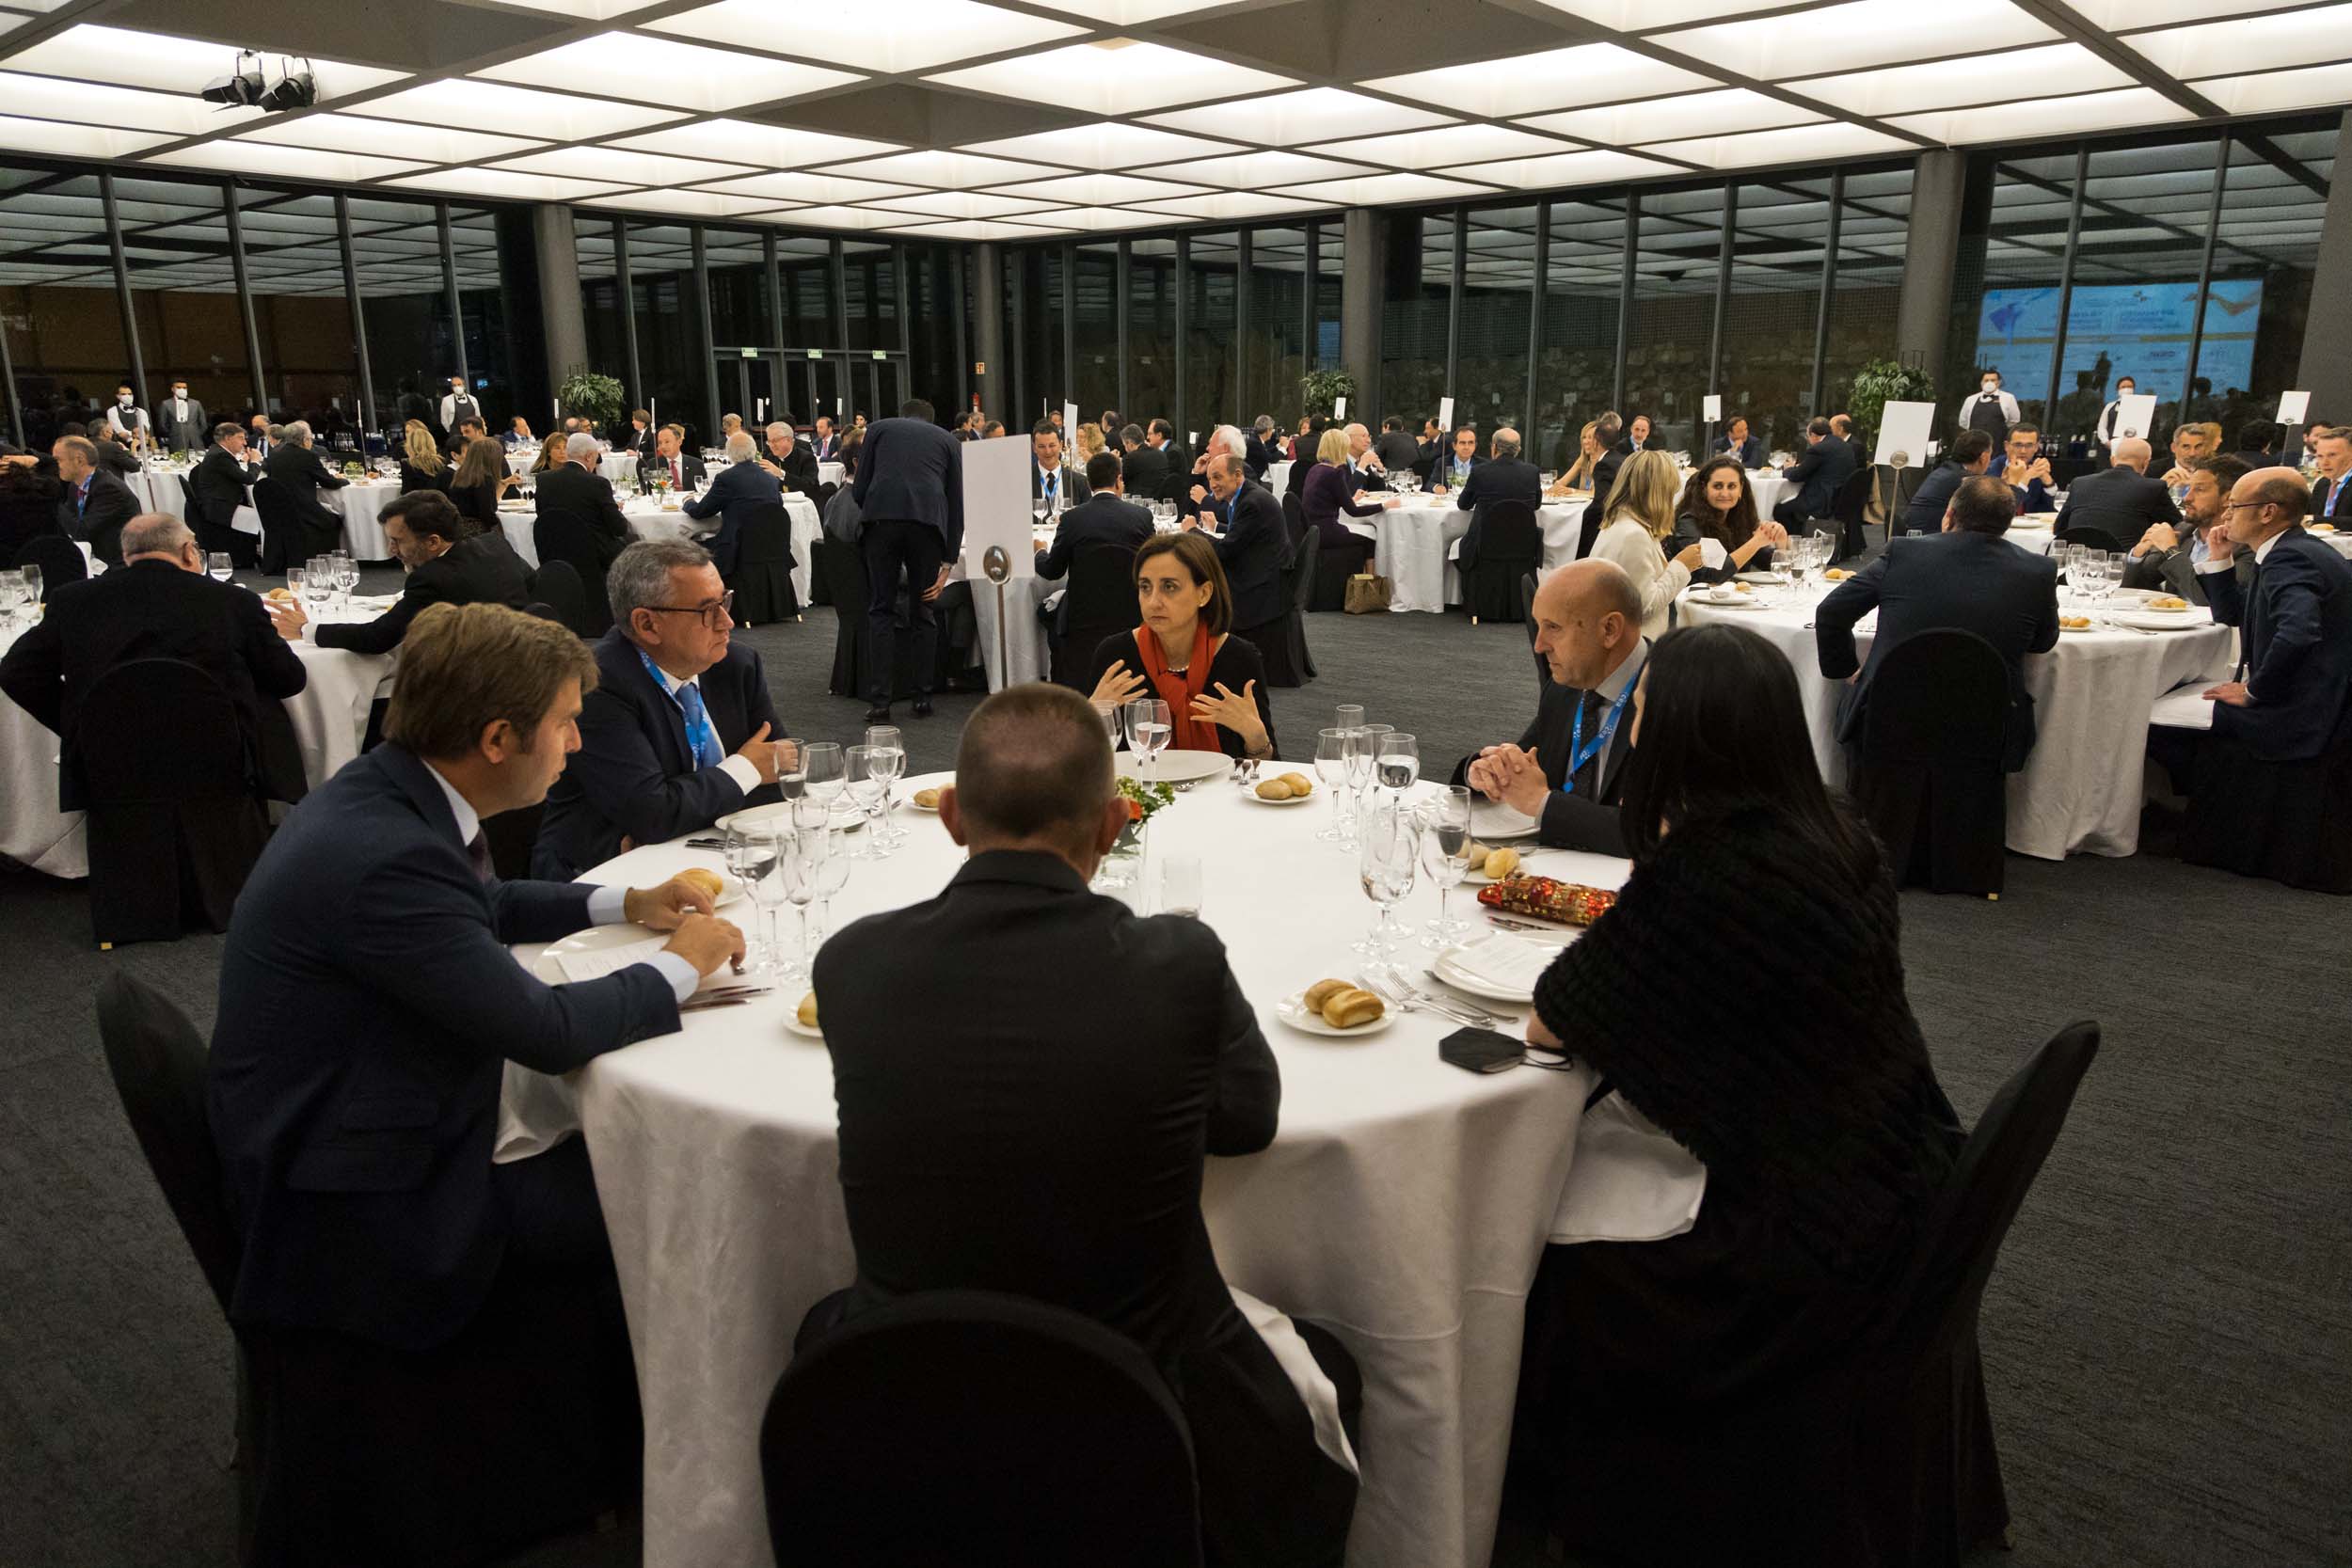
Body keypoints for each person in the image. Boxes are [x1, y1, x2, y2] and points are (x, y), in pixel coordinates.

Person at [803, 681, 1357, 1562]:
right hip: (1145, 1409)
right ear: (1114, 823)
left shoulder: (853, 963)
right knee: (1333, 1359)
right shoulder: (1179, 963)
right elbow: (1249, 1122)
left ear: (950, 816)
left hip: (905, 1392)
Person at [1512, 621, 1962, 1563]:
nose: (1633, 725)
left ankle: (1577, 1497)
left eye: (1641, 710)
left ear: (1685, 732)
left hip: (1790, 1242)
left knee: (1533, 1229)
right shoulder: (1836, 829)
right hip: (1896, 1162)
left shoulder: (1709, 868)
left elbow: (1553, 1018)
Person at [207, 601, 743, 1360]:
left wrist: (627, 901)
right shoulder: (388, 858)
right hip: (369, 1197)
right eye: (565, 723)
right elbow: (548, 1032)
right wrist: (682, 963)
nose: (577, 742)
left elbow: (480, 901)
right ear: (496, 739)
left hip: (349, 1103)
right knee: (681, 1192)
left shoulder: (386, 788)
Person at [2, 511, 308, 812]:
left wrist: (83, 722)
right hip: (219, 762)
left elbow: (16, 672)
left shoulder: (72, 600)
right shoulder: (233, 601)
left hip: (109, 767)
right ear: (188, 551)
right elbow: (289, 679)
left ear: (127, 554)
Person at [532, 539, 791, 879]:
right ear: (647, 624)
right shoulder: (596, 685)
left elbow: (782, 771)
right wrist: (745, 769)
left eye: (725, 601)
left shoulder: (736, 666)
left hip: (711, 854)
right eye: (707, 610)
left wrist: (678, 812)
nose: (727, 621)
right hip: (603, 874)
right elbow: (652, 812)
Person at [1817, 474, 2058, 771]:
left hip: (1888, 722)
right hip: (1987, 731)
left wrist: (1846, 670)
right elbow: (2043, 641)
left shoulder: (1904, 552)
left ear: (1949, 515)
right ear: (2007, 524)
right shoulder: (2038, 570)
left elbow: (1831, 612)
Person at [1461, 560, 1648, 854]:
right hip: (1552, 867)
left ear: (1609, 629)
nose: (1539, 645)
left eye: (1553, 627)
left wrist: (1544, 804)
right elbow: (1524, 757)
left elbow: (1657, 832)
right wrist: (1484, 770)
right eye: (1539, 626)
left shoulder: (1674, 697)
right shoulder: (1565, 686)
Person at [2185, 467, 2352, 764]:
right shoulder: (2293, 548)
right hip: (2317, 704)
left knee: (2149, 717)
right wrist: (2220, 559)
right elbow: (2234, 615)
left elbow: (2299, 632)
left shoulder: (2289, 557)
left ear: (2267, 513)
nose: (2226, 514)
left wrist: (2254, 691)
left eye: (2234, 506)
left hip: (2300, 714)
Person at [1089, 531, 1278, 763]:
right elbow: (1084, 763)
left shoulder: (1238, 658)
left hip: (1219, 786)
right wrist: (1089, 716)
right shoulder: (1116, 656)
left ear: (1204, 594)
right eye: (1145, 587)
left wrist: (1256, 736)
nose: (1153, 602)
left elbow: (1268, 767)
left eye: (1169, 587)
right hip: (1139, 785)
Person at [293, 491, 531, 657]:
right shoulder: (494, 544)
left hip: (478, 681)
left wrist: (307, 629)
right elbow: (533, 584)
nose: (391, 550)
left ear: (433, 542)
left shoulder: (431, 579)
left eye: (397, 541)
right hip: (526, 656)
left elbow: (375, 638)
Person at [851, 398, 962, 723]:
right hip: (927, 527)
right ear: (931, 419)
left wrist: (878, 509)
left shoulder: (878, 429)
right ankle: (923, 697)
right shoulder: (948, 440)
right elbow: (956, 503)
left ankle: (880, 701)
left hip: (881, 524)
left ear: (902, 415)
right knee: (924, 611)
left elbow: (859, 487)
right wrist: (948, 561)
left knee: (881, 610)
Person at [1180, 453, 1291, 651]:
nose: (1212, 485)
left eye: (1217, 477)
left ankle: (1203, 648)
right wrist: (1217, 527)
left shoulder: (1251, 503)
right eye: (1210, 479)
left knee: (1198, 583)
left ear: (1237, 475)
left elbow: (1224, 551)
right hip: (1267, 571)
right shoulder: (1248, 495)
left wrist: (1192, 531)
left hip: (1260, 585)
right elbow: (1244, 533)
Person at [1588, 450, 1702, 640]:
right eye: (1670, 493)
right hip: (1634, 646)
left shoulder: (1621, 523)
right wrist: (1682, 565)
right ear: (1660, 494)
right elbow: (1643, 608)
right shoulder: (1634, 535)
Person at [2122, 454, 2244, 604]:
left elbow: (2211, 601)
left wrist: (2172, 551)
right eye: (2188, 488)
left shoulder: (2245, 545)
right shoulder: (2184, 532)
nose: (2187, 498)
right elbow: (2135, 588)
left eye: (2199, 489)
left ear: (2228, 499)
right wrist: (2138, 554)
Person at [1037, 450, 1152, 586]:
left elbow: (1052, 571)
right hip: (1132, 598)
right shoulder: (1143, 516)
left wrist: (1040, 551)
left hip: (1082, 599)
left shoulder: (1070, 519)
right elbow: (1153, 561)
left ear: (1089, 483)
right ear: (1119, 480)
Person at [1671, 459, 1787, 585]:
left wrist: (1781, 544)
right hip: (1695, 595)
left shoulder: (1740, 519)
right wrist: (1755, 542)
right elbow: (1711, 576)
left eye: (1731, 486)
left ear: (1741, 489)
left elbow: (1765, 563)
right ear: (1704, 488)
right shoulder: (1689, 522)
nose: (1725, 493)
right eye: (1718, 486)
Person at [684, 430, 783, 575]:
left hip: (736, 549)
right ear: (754, 451)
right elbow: (778, 509)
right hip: (771, 548)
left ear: (729, 454)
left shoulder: (726, 478)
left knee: (686, 544)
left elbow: (701, 512)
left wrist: (688, 502)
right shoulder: (771, 479)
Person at [2056, 436, 2179, 548]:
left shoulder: (2080, 483)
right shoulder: (2154, 487)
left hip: (2075, 557)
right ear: (2146, 462)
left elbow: (2059, 528)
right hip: (2122, 561)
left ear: (2113, 460)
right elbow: (2178, 526)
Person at [1454, 427, 1542, 574]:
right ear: (1518, 450)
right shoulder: (1532, 472)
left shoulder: (1480, 472)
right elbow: (1536, 505)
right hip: (1523, 546)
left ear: (1494, 447)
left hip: (1484, 547)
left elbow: (1463, 505)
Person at [262, 420, 350, 564]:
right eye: (310, 439)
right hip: (303, 509)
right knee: (334, 519)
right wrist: (345, 480)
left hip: (279, 510)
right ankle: (328, 559)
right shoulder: (307, 456)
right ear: (304, 440)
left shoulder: (274, 455)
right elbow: (329, 483)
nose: (311, 442)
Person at [52, 434, 137, 566]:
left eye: (58, 460)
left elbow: (81, 532)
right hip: (95, 557)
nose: (55, 466)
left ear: (79, 460)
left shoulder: (109, 488)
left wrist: (53, 500)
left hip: (119, 563)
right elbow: (69, 521)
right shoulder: (75, 486)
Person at [1301, 425, 1393, 547]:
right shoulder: (1335, 472)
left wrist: (1380, 469)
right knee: (1373, 537)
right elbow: (1353, 511)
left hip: (1312, 529)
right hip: (1328, 531)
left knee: (1369, 532)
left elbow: (1329, 498)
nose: (1368, 440)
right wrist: (1384, 506)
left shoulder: (1315, 469)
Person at [189, 421, 262, 566]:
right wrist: (255, 462)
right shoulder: (221, 456)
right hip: (220, 507)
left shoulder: (218, 452)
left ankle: (250, 556)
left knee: (256, 514)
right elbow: (249, 479)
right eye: (241, 438)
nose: (244, 443)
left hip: (218, 502)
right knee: (260, 517)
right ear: (228, 438)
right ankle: (250, 557)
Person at [1897, 427, 1994, 536]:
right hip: (1929, 539)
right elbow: (1995, 512)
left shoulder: (1945, 470)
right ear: (1984, 457)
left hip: (1914, 535)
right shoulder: (1966, 479)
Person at [1775, 416, 1861, 530]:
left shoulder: (1818, 449)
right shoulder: (1844, 445)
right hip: (1839, 499)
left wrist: (1787, 469)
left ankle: (1799, 536)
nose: (1809, 441)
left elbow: (1796, 476)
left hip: (1821, 501)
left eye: (1808, 437)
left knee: (1779, 511)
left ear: (1813, 435)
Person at [1573, 411, 1629, 559]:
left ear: (1597, 442)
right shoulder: (1623, 459)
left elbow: (1601, 503)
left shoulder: (1604, 465)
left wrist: (1580, 519)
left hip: (1607, 526)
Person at [0, 450, 62, 564]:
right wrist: (34, 459)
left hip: (8, 569)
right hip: (51, 564)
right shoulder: (48, 492)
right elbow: (52, 462)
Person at [448, 435, 519, 533]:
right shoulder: (483, 479)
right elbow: (488, 514)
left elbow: (487, 504)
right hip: (477, 531)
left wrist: (504, 484)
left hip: (459, 528)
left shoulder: (461, 474)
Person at [1030, 420, 1090, 514]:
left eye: (1052, 445)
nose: (1048, 451)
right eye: (1041, 446)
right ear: (1034, 448)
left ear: (1061, 445)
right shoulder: (1025, 482)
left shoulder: (1079, 482)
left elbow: (1088, 517)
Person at [1994, 423, 2056, 514]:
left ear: (2036, 447)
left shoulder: (2037, 468)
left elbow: (2049, 509)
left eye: (2029, 445)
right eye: (2018, 445)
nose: (2023, 451)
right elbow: (2002, 510)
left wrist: (2048, 482)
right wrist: (2026, 478)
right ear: (2006, 446)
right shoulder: (1992, 469)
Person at [1954, 368, 2018, 447]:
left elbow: (2014, 420)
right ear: (1981, 382)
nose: (1989, 383)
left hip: (1998, 444)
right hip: (1974, 445)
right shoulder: (1970, 399)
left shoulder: (2008, 398)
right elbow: (1963, 422)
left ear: (1999, 382)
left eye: (1993, 380)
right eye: (1986, 380)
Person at [758, 419, 819, 495]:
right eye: (769, 441)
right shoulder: (769, 458)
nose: (772, 445)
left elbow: (810, 487)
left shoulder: (806, 458)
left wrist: (781, 474)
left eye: (775, 440)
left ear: (789, 440)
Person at [1548, 420, 1601, 498]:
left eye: (1590, 438)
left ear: (1599, 441)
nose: (1585, 442)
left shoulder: (1604, 463)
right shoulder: (1582, 461)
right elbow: (1560, 483)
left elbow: (1595, 494)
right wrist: (1553, 489)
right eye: (1584, 437)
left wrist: (1572, 491)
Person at [644, 424, 705, 494]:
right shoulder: (653, 464)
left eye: (667, 442)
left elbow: (703, 490)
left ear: (679, 442)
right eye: (660, 443)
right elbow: (649, 491)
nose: (663, 446)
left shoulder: (696, 464)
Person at [2308, 426, 2350, 523]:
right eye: (2320, 456)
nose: (2324, 462)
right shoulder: (2322, 483)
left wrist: (2315, 520)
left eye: (2332, 455)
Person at [155, 378, 208, 454]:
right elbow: (162, 425)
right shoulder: (166, 404)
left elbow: (203, 424)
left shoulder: (196, 403)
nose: (182, 389)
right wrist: (174, 434)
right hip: (176, 442)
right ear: (172, 389)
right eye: (179, 387)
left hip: (196, 442)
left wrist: (195, 434)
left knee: (199, 460)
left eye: (184, 388)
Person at [399, 420, 451, 494]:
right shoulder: (443, 462)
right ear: (431, 443)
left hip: (417, 500)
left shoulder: (407, 464)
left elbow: (406, 492)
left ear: (411, 445)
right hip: (439, 499)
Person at [1120, 421, 1168, 497]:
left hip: (1138, 501)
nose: (1125, 449)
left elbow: (1117, 480)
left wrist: (1114, 461)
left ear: (1130, 443)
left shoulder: (1130, 458)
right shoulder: (1161, 454)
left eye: (1124, 445)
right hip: (1161, 499)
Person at [1430, 425, 1480, 496]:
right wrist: (1437, 487)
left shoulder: (1483, 465)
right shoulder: (1442, 462)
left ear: (1475, 446)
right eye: (1462, 443)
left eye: (1470, 443)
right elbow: (1430, 483)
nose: (1466, 447)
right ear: (1454, 446)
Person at [2093, 374, 2137, 453]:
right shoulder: (2110, 406)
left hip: (2132, 448)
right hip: (2110, 447)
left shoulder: (2139, 406)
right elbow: (2102, 426)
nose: (2126, 389)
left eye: (2130, 387)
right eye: (2123, 387)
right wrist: (2106, 442)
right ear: (2118, 390)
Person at [102, 381, 150, 448]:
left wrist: (137, 437)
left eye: (130, 394)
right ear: (118, 396)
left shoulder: (141, 411)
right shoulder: (112, 411)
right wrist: (137, 436)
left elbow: (145, 430)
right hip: (121, 446)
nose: (127, 396)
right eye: (123, 394)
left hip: (143, 446)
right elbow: (120, 432)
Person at [1246, 414, 1283, 479]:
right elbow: (1271, 459)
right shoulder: (1255, 442)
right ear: (1268, 430)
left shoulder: (1256, 439)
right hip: (1254, 478)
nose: (1272, 433)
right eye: (1272, 430)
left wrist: (1279, 445)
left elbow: (1266, 453)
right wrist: (1283, 448)